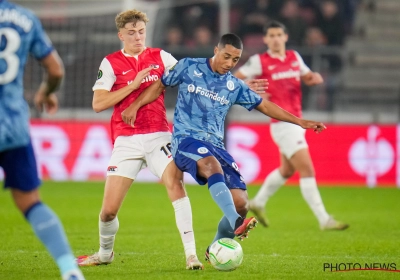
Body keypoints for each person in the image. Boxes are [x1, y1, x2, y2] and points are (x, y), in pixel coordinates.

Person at [121, 33, 327, 261]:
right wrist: (135, 106)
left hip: (216, 145)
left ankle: (215, 249)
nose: (229, 63)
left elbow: (265, 106)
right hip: (186, 140)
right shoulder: (189, 66)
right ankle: (237, 222)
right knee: (212, 166)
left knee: (241, 202)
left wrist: (300, 121)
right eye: (226, 56)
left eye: (235, 60)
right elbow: (160, 85)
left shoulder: (234, 85)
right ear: (216, 49)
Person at [75, 9, 203, 270]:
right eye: (131, 32)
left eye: (141, 31)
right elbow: (98, 103)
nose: (137, 36)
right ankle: (104, 253)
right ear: (121, 35)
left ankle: (191, 255)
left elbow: (190, 76)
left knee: (175, 183)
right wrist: (132, 86)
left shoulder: (160, 57)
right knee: (108, 211)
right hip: (126, 140)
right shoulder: (110, 63)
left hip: (158, 135)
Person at [234, 20, 349, 230]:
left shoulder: (294, 57)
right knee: (307, 169)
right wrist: (253, 93)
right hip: (282, 123)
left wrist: (314, 78)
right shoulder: (260, 61)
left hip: (296, 121)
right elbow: (234, 80)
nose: (276, 38)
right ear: (266, 39)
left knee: (287, 170)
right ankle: (324, 219)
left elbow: (307, 76)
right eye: (272, 35)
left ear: (285, 37)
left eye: (279, 34)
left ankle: (258, 202)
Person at [0, 1, 84, 279]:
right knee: (31, 202)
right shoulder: (24, 18)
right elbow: (56, 70)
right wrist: (46, 92)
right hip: (13, 126)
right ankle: (69, 268)